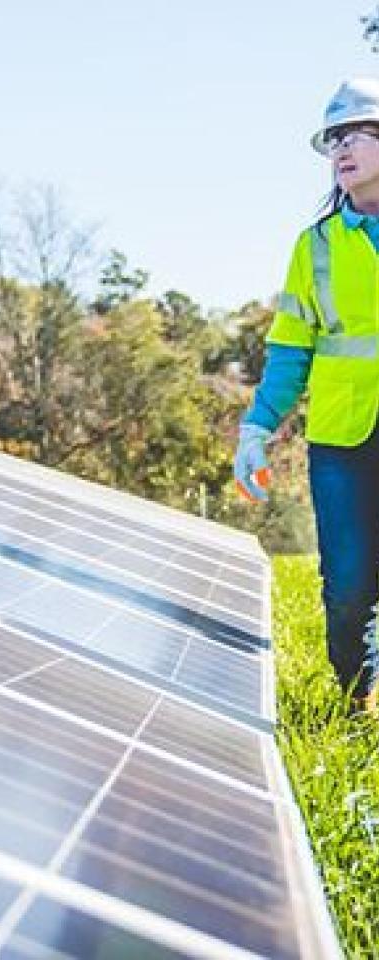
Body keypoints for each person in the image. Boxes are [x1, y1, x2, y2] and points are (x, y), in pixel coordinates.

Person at [234, 78, 379, 716]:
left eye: (354, 135)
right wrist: (256, 430)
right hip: (344, 438)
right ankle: (353, 705)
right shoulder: (315, 246)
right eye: (332, 141)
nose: (340, 150)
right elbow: (291, 349)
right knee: (347, 585)